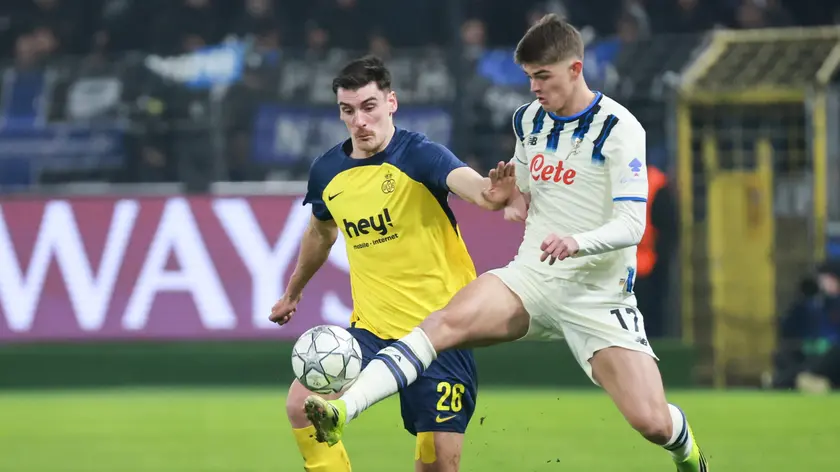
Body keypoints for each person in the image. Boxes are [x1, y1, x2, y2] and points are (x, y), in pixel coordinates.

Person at [302, 15, 710, 472]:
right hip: (532, 277)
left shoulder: (620, 128)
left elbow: (633, 225)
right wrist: (512, 199)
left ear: (575, 69)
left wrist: (577, 242)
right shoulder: (528, 120)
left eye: (543, 76)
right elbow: (524, 192)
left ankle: (687, 452)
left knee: (652, 422)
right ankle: (343, 410)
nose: (534, 87)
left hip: (597, 295)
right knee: (441, 325)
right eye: (529, 76)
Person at [269, 55, 516, 472]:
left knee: (438, 466)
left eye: (368, 107)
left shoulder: (420, 155)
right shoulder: (328, 171)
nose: (359, 121)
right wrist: (293, 292)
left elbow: (474, 188)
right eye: (348, 110)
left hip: (439, 335)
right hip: (371, 333)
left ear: (391, 103)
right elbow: (320, 232)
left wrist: (493, 193)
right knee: (301, 404)